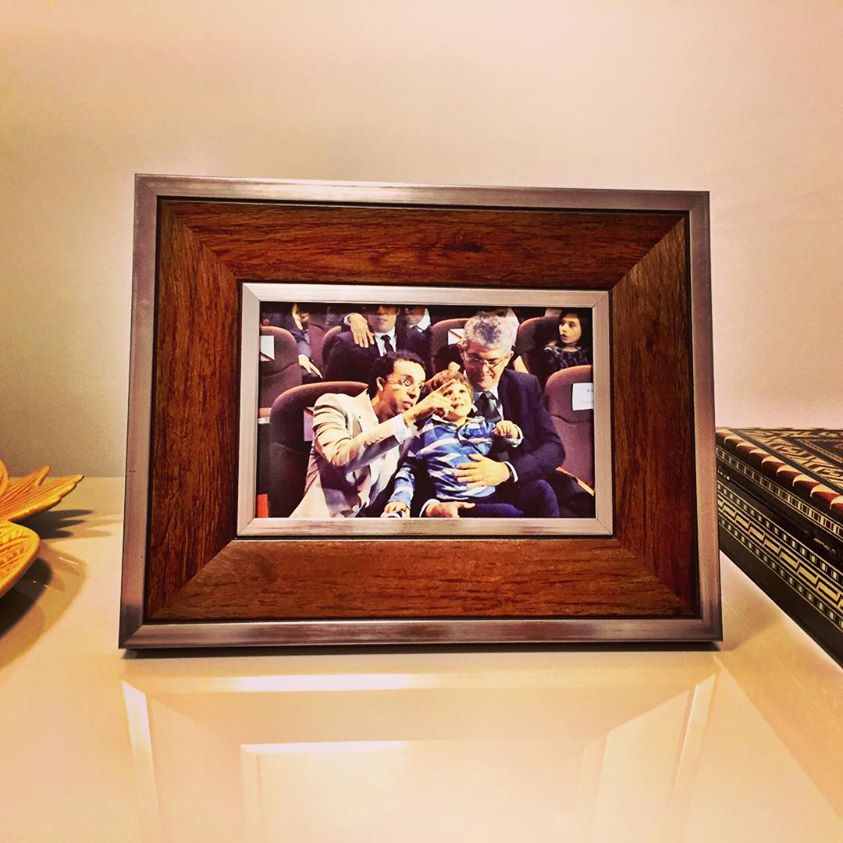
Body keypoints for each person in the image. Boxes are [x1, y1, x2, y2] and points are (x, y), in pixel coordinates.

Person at [419, 311, 590, 518]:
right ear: (462, 351)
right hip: (464, 498)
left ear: (508, 357)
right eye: (475, 358)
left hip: (524, 483)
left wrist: (506, 471)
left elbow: (553, 449)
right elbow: (417, 462)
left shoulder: (525, 386)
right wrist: (432, 507)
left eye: (493, 361)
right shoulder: (439, 392)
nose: (483, 370)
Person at [290, 351, 451, 518]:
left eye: (419, 386)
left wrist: (435, 506)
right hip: (319, 526)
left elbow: (413, 479)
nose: (414, 393)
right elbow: (339, 457)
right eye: (406, 382)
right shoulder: (334, 405)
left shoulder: (409, 432)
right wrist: (410, 416)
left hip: (372, 528)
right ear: (381, 383)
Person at [383, 370, 559, 518]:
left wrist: (510, 431)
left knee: (542, 489)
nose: (456, 397)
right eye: (447, 393)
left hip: (491, 494)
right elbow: (409, 469)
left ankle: (554, 544)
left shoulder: (481, 425)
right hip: (457, 503)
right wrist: (400, 499)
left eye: (462, 391)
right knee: (509, 513)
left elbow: (507, 440)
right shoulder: (426, 432)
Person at [324, 304, 430, 382]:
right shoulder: (346, 343)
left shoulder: (417, 339)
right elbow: (333, 388)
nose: (380, 311)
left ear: (397, 310)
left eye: (387, 306)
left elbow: (426, 380)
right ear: (366, 309)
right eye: (374, 306)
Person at [540, 309, 592, 382]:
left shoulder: (590, 351)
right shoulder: (550, 352)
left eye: (571, 325)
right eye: (562, 323)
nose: (564, 329)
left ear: (583, 327)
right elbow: (552, 383)